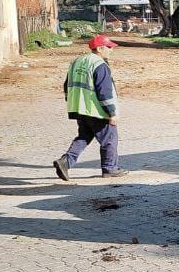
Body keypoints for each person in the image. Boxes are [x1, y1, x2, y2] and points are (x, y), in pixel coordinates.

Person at [53, 35, 127, 180]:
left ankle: (65, 162)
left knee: (84, 136)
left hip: (79, 108)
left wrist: (71, 102)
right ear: (99, 48)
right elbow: (104, 91)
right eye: (109, 47)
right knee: (110, 138)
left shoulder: (77, 62)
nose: (111, 50)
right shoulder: (100, 65)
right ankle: (110, 168)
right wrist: (111, 113)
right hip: (96, 109)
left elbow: (66, 84)